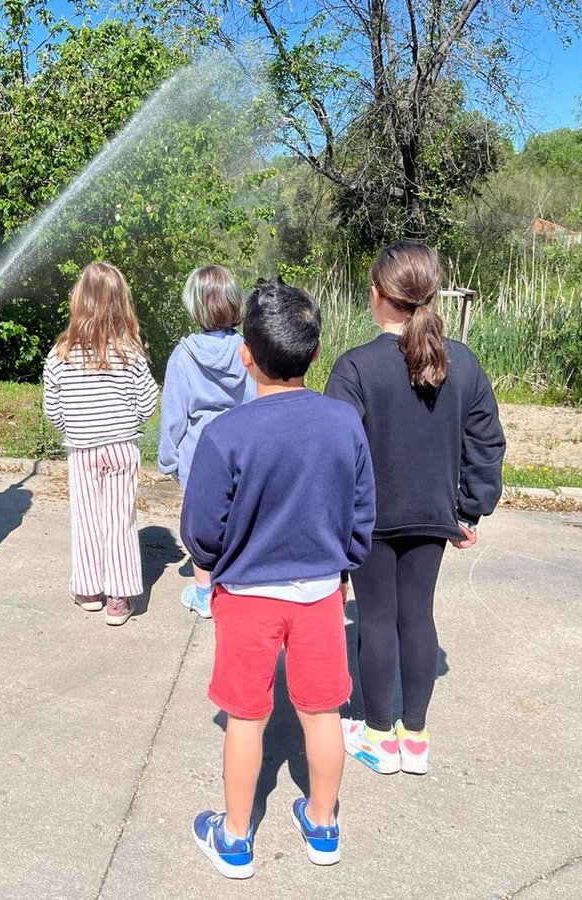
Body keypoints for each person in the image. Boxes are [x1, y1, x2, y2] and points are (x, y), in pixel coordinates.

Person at [181, 279, 375, 879]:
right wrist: (344, 560)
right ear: (314, 353)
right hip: (320, 593)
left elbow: (200, 532)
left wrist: (217, 560)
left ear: (246, 353)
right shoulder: (343, 422)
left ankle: (236, 837)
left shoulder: (226, 435)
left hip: (245, 597)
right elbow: (362, 511)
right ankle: (323, 825)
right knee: (322, 712)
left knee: (247, 717)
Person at [324, 240, 505, 776]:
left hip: (370, 520)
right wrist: (470, 510)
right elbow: (487, 443)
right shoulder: (463, 362)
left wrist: (332, 531)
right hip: (434, 516)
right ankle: (416, 739)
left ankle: (379, 736)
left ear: (377, 295)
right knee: (417, 615)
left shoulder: (354, 368)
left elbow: (335, 456)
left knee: (376, 620)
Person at [41, 262, 158, 627]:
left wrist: (71, 427)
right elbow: (148, 401)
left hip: (83, 449)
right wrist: (130, 423)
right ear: (121, 303)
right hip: (122, 447)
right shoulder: (132, 352)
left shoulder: (61, 353)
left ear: (79, 301)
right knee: (121, 521)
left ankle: (89, 589)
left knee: (88, 520)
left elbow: (52, 406)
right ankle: (119, 598)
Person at [157, 265, 255, 619]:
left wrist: (167, 460)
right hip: (241, 453)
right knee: (239, 521)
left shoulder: (183, 356)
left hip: (198, 457)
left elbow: (174, 416)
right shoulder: (249, 350)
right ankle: (235, 586)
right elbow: (256, 401)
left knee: (201, 527)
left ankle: (204, 593)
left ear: (194, 306)